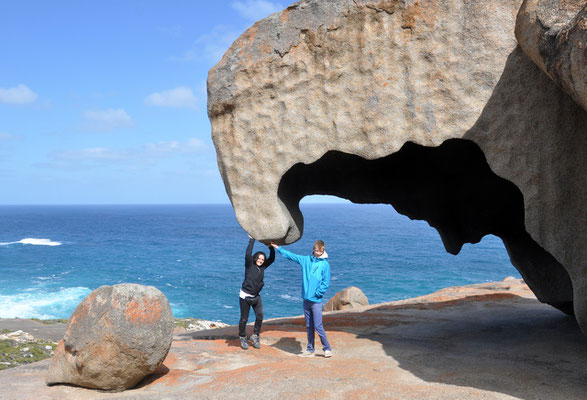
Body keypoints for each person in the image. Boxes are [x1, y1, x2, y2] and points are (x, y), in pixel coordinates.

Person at [271, 240, 332, 358]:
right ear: (313, 249)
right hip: (306, 300)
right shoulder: (306, 260)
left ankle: (327, 348)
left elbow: (326, 282)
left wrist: (318, 293)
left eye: (320, 251)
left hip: (316, 301)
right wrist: (278, 248)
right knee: (309, 326)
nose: (318, 253)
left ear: (323, 250)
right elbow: (292, 256)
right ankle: (310, 349)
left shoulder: (325, 264)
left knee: (318, 326)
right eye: (316, 250)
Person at [238, 234, 275, 350]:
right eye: (259, 258)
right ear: (255, 258)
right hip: (245, 297)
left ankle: (255, 336)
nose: (260, 260)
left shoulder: (262, 267)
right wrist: (252, 240)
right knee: (244, 319)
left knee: (260, 317)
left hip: (256, 297)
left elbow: (272, 259)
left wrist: (270, 247)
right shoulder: (249, 265)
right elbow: (248, 254)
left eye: (262, 259)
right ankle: (243, 337)